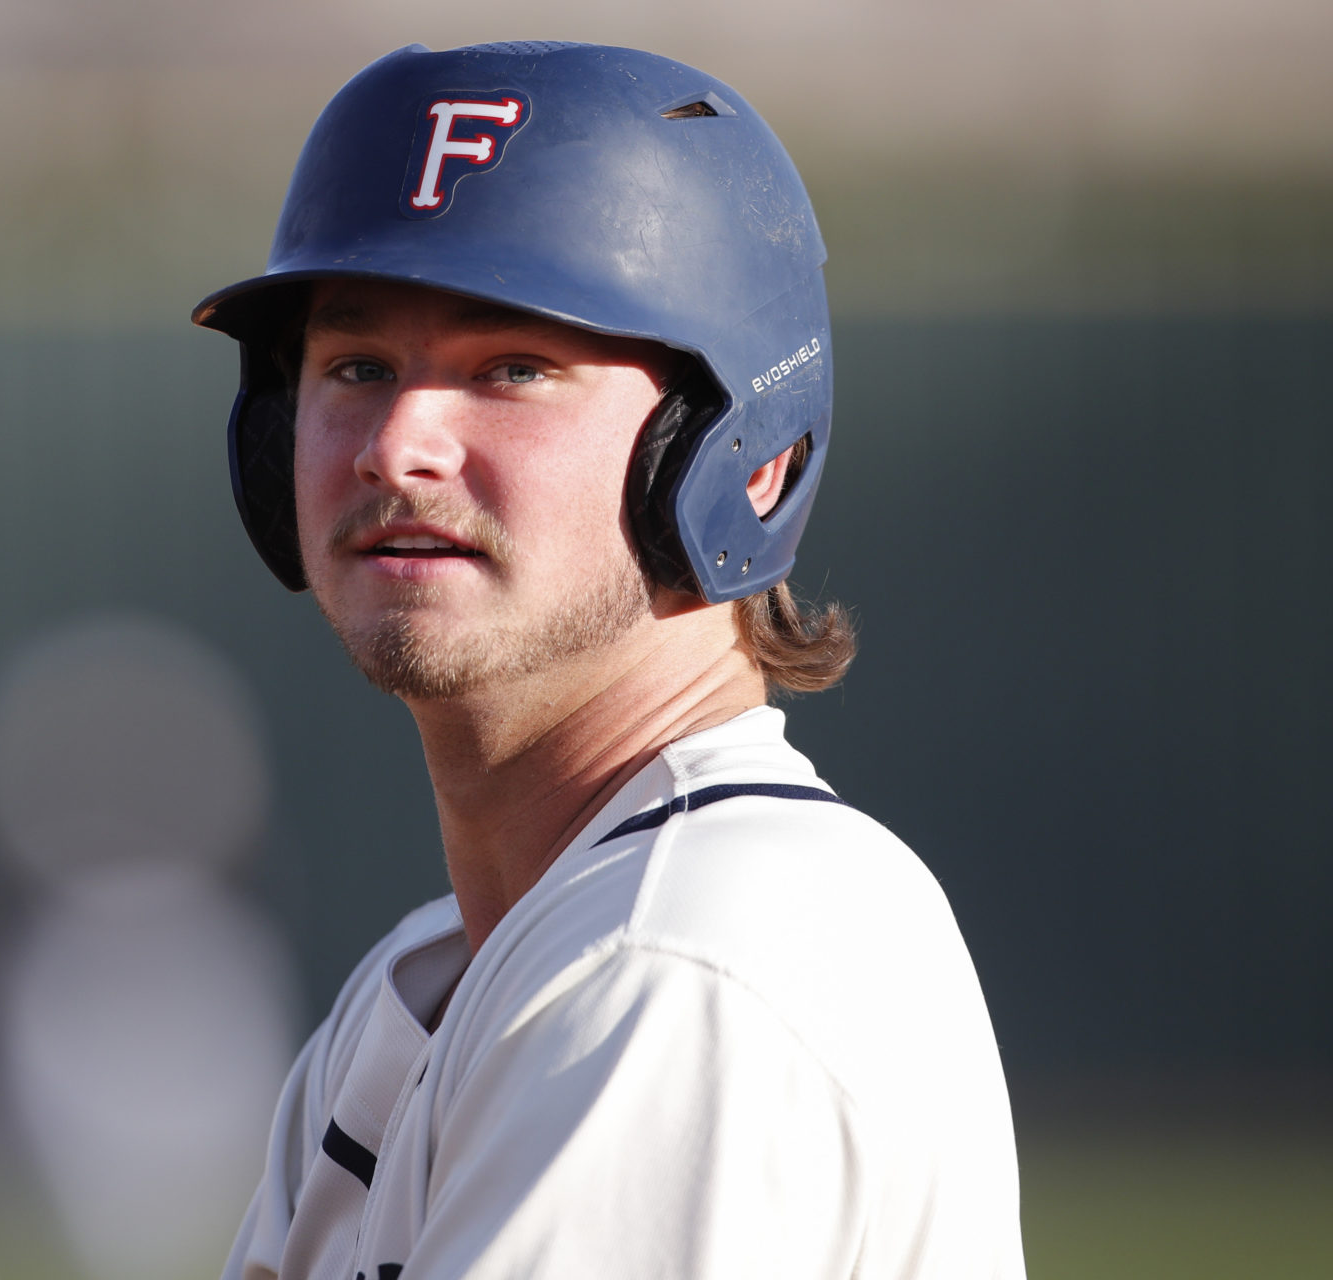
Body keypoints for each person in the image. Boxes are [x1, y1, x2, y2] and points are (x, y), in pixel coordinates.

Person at [192, 41, 1024, 1280]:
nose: (399, 443)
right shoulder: (450, 970)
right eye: (357, 366)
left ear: (748, 454)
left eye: (512, 369)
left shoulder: (682, 957)